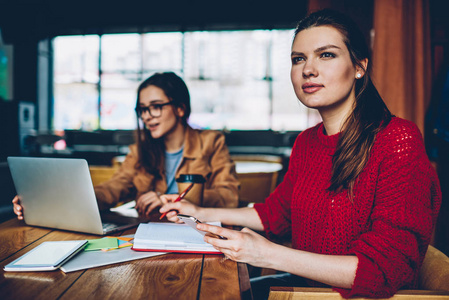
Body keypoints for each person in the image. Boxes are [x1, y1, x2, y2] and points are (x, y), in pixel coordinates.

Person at [158, 9, 442, 299]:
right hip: (304, 287)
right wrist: (199, 212)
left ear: (359, 67)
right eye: (298, 59)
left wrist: (268, 255)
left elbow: (385, 269)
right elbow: (275, 214)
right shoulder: (307, 142)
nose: (308, 69)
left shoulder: (397, 139)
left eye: (326, 55)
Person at [13, 72, 239, 219]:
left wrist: (170, 199)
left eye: (156, 106)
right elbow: (112, 189)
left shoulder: (211, 141)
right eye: (142, 109)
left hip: (198, 236)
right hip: (152, 235)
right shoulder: (141, 151)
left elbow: (229, 196)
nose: (147, 116)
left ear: (180, 108)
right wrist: (50, 201)